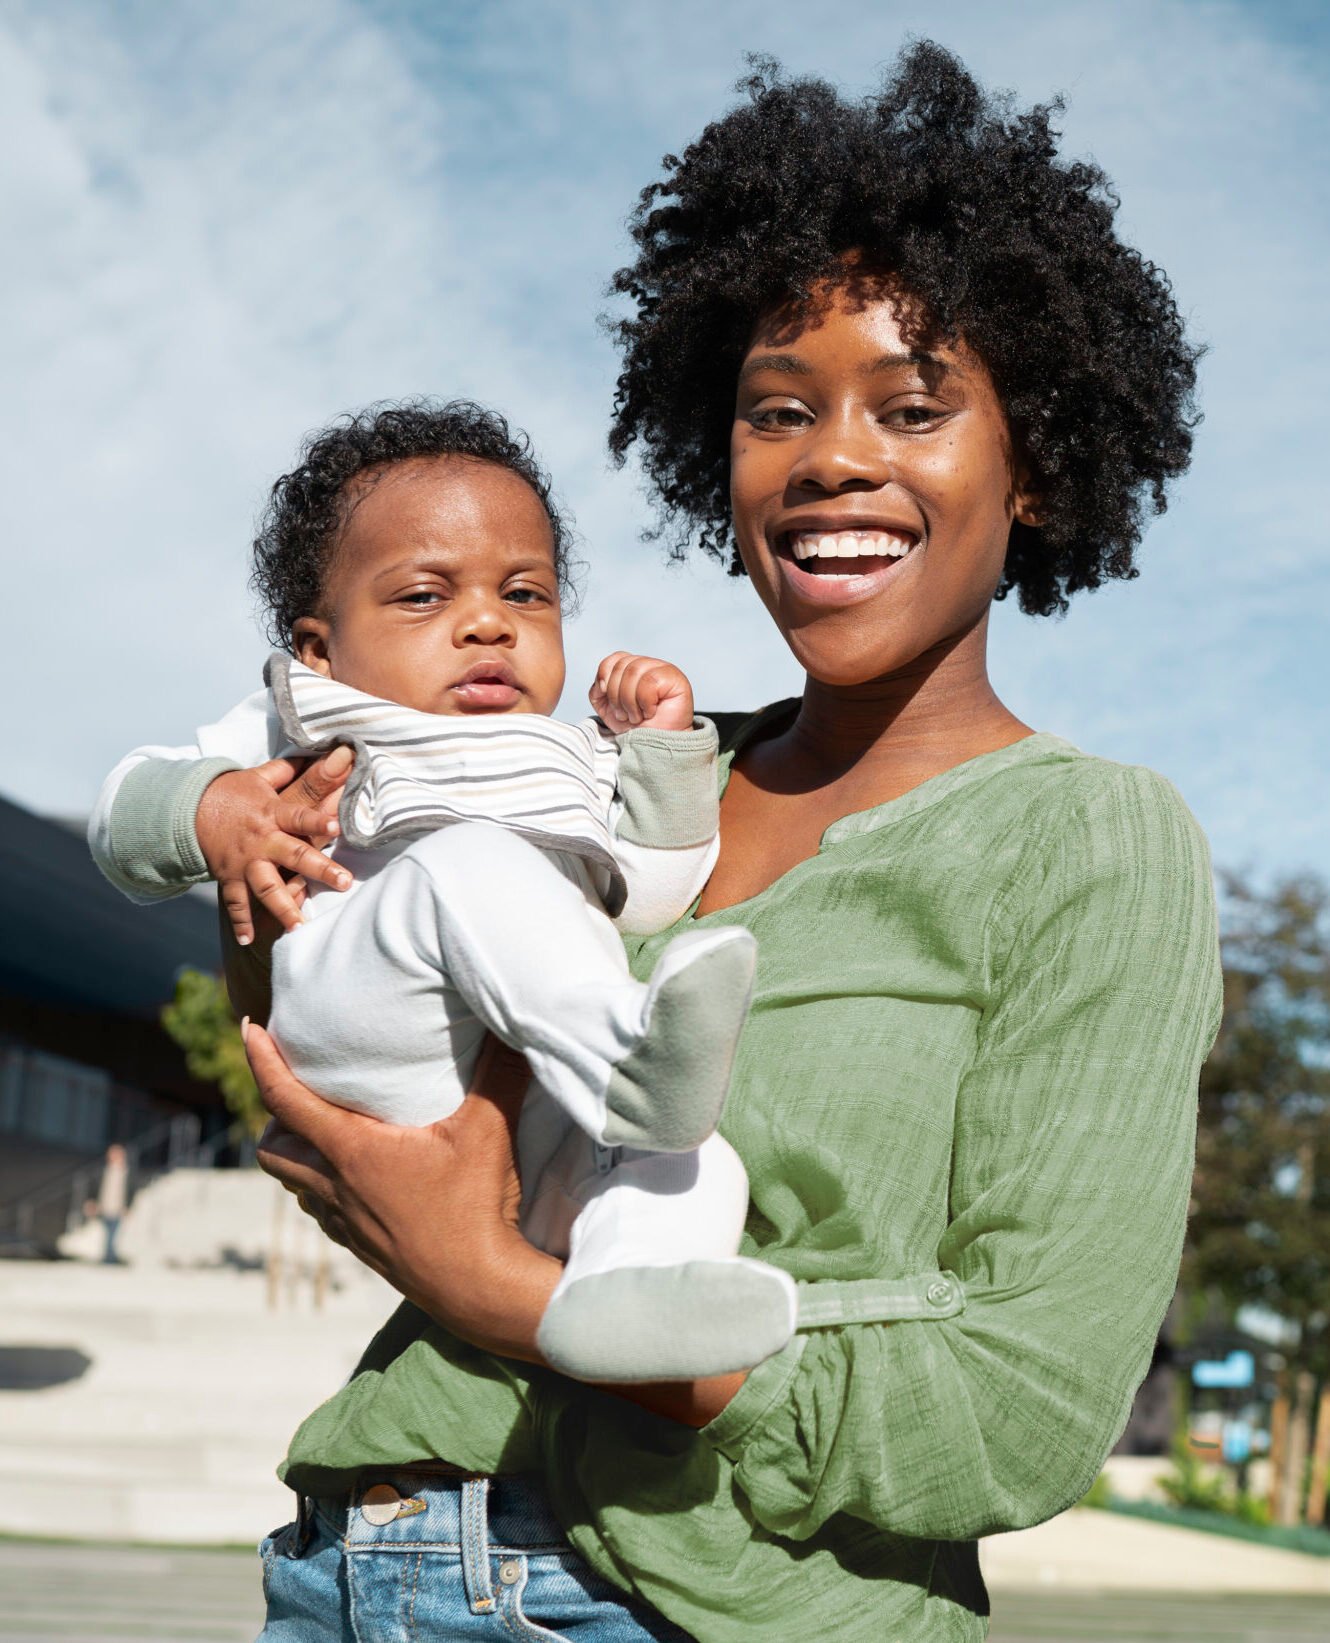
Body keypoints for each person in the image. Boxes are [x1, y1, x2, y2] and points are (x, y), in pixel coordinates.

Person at [153, 41, 1231, 1641]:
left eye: (915, 407)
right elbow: (312, 1043)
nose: (831, 459)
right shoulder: (602, 773)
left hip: (696, 1607)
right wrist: (252, 821)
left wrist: (512, 1292)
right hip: (348, 1553)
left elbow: (1016, 1398)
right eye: (774, 410)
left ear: (1043, 460)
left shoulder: (1090, 839)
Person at [88, 400, 800, 1385]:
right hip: (376, 1014)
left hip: (543, 1089)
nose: (485, 621)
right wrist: (216, 811)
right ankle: (630, 1060)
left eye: (526, 593)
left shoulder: (569, 754)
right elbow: (120, 813)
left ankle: (630, 1295)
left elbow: (651, 896)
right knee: (464, 864)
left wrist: (664, 754)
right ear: (320, 648)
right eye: (424, 596)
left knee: (690, 1162)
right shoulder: (301, 722)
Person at [87, 1143, 128, 1265]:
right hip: (105, 1207)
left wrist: (127, 1206)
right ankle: (108, 1256)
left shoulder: (125, 1172)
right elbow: (97, 1188)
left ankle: (110, 1257)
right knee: (105, 1234)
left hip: (117, 1208)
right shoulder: (104, 1171)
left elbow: (129, 1190)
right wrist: (94, 1202)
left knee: (113, 1234)